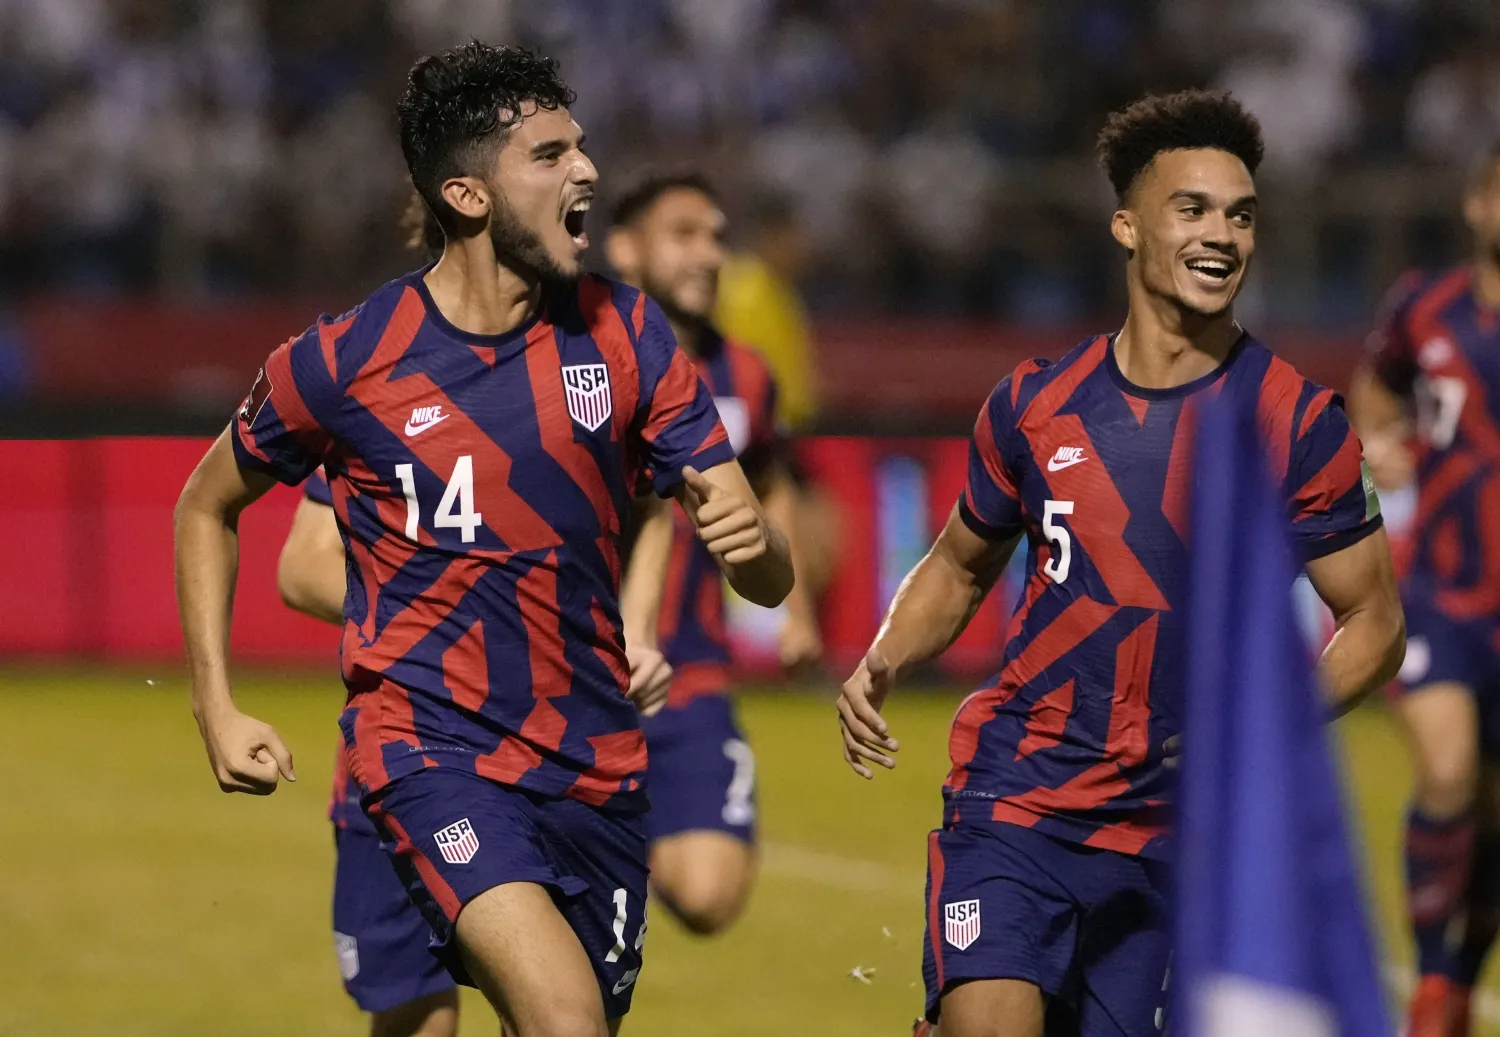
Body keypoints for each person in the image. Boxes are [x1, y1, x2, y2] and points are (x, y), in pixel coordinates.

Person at [174, 42, 794, 1037]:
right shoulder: (344, 361)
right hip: (429, 749)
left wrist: (752, 540)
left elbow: (764, 577)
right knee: (557, 1019)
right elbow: (205, 505)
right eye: (550, 154)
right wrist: (215, 705)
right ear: (466, 196)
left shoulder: (630, 338)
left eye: (580, 147)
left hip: (595, 763)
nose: (587, 170)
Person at [834, 89, 1406, 1037]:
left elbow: (1375, 620)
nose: (1223, 233)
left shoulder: (1299, 422)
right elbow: (959, 563)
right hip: (1017, 797)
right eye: (1194, 209)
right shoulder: (1032, 401)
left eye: (1241, 214)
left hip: (1178, 834)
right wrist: (884, 657)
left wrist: (1259, 731)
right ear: (1128, 226)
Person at [607, 170, 823, 935]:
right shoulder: (578, 363)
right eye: (685, 235)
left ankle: (611, 849)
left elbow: (772, 487)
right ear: (624, 249)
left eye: (717, 238)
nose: (708, 254)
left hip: (693, 667)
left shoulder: (748, 376)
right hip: (582, 672)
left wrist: (792, 612)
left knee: (709, 894)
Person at [1348, 143, 1500, 1037]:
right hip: (1444, 592)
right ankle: (1433, 989)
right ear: (1477, 207)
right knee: (1445, 767)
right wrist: (1375, 439)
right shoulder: (1424, 308)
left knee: (1490, 814)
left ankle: (1453, 979)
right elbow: (1376, 387)